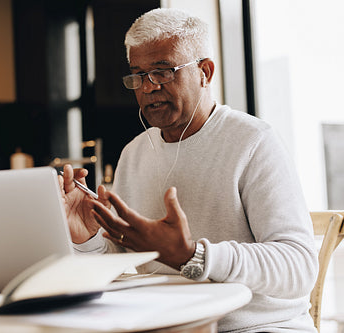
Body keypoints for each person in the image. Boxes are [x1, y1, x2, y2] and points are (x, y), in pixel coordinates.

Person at [59, 8, 318, 333]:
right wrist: (87, 237)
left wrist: (192, 256)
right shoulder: (134, 153)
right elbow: (123, 260)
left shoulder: (253, 141)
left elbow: (299, 266)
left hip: (254, 327)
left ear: (204, 72)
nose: (148, 87)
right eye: (137, 75)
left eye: (163, 72)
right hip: (166, 324)